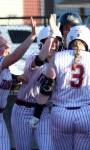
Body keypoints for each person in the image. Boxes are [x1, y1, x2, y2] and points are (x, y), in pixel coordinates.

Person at [31, 24, 90, 150]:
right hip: (87, 113)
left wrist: (36, 115)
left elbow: (46, 89)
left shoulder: (57, 57)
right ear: (88, 41)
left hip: (61, 114)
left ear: (69, 39)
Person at [11, 14, 62, 150]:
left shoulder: (60, 63)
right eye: (51, 41)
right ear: (42, 42)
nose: (54, 44)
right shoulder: (33, 57)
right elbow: (41, 57)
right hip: (23, 109)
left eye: (57, 41)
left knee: (48, 147)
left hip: (44, 111)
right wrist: (52, 32)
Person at [0, 17, 36, 150]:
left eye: (7, 45)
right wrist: (32, 36)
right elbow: (16, 56)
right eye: (4, 45)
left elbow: (8, 77)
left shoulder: (6, 68)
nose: (7, 48)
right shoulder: (2, 61)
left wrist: (18, 78)